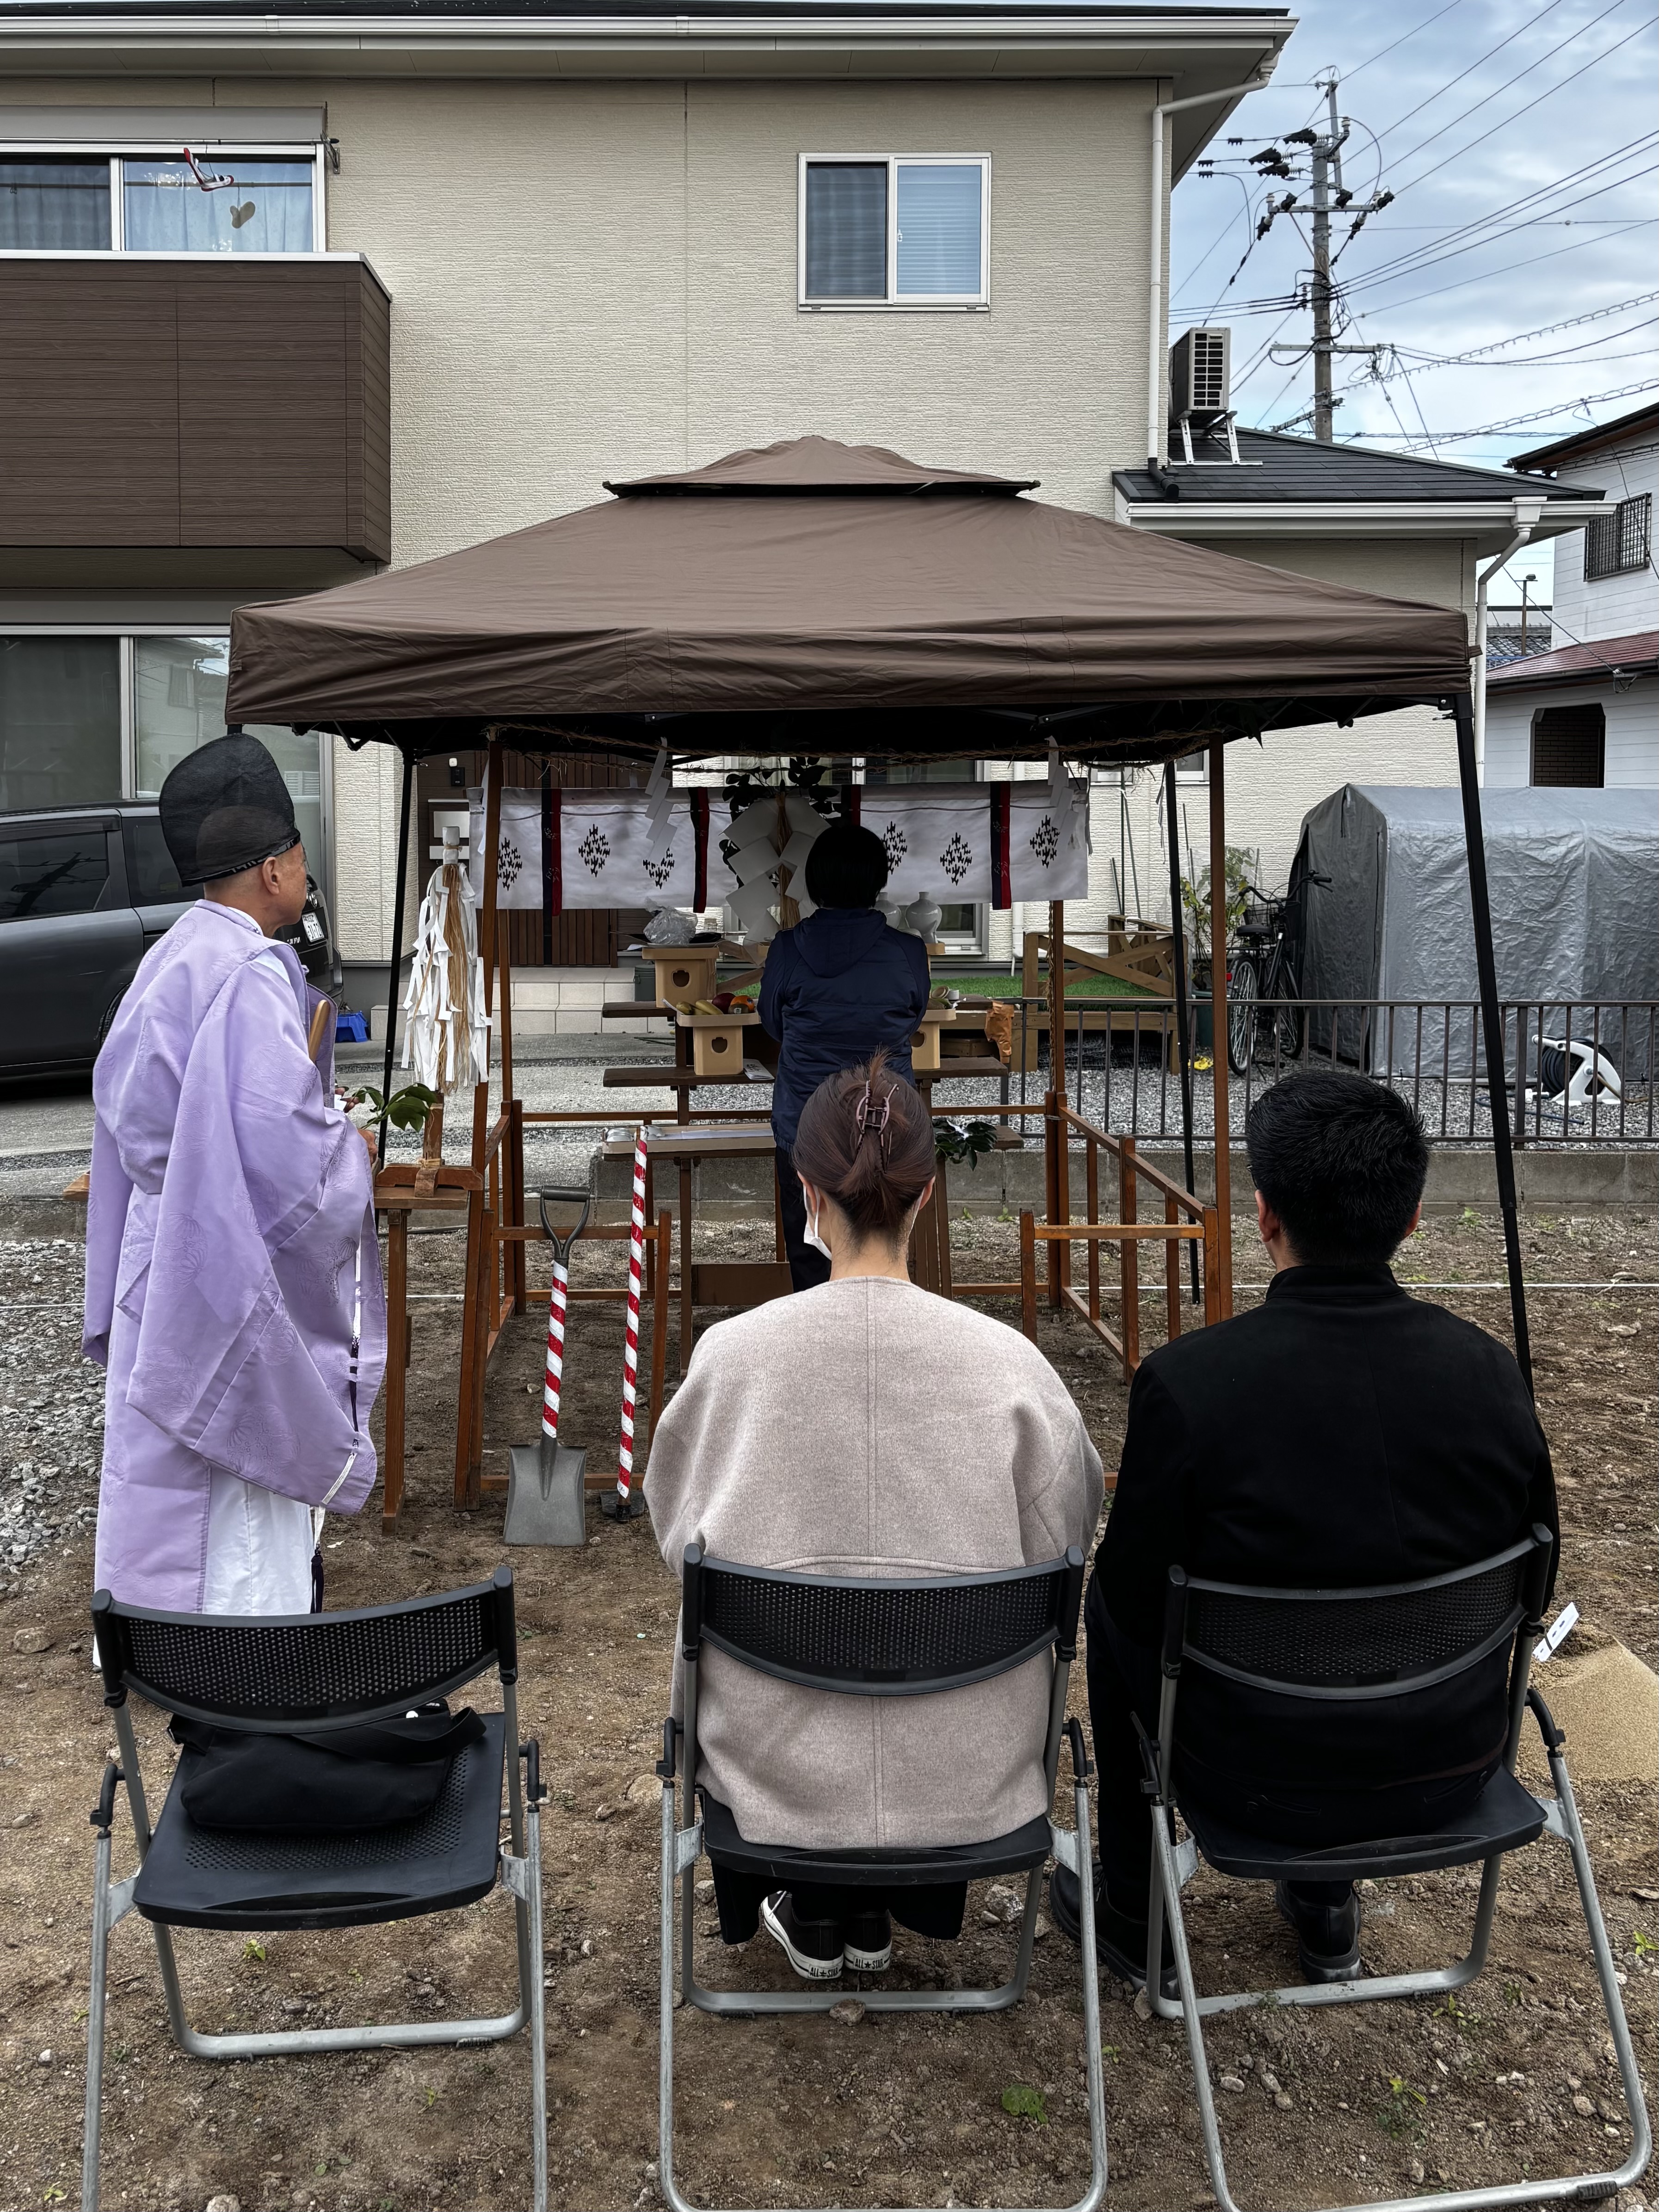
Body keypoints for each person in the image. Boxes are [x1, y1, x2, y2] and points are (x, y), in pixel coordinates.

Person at [1050, 1070, 1558, 1986]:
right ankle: (1324, 1899)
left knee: (1111, 1615)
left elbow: (1132, 1592)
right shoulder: (1486, 1374)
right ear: (1407, 1222)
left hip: (1240, 1771)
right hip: (1452, 1763)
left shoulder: (1192, 1385)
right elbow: (1533, 1578)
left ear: (1261, 1215)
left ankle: (1132, 1912)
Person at [647, 1054, 1103, 1981]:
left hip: (773, 1773)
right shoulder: (1010, 1367)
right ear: (928, 1191)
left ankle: (810, 1904)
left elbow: (675, 1533)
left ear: (804, 1187)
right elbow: (1065, 1536)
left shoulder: (730, 1358)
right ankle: (874, 1909)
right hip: (963, 1772)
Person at [85, 732, 386, 1615]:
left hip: (163, 1236)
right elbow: (278, 1147)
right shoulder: (252, 967)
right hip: (220, 1247)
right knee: (234, 1462)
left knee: (165, 1455)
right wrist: (348, 1150)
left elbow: (133, 1117)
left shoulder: (171, 953)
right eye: (298, 858)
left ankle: (161, 1640)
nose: (304, 873)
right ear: (271, 868)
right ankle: (239, 1664)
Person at [759, 820, 930, 1291]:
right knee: (885, 1249)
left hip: (804, 1125)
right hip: (887, 1121)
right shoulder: (909, 952)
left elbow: (773, 1025)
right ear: (877, 882)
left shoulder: (788, 949)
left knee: (811, 1253)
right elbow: (911, 1023)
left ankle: (817, 1352)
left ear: (814, 882)